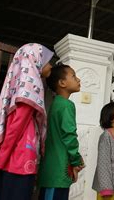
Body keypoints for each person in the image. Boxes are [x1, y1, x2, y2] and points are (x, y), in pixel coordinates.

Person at [0, 43, 54, 200]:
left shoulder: (18, 87)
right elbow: (16, 128)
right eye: (47, 60)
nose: (51, 66)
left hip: (10, 160)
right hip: (19, 162)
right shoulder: (28, 89)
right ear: (35, 60)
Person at [37, 64, 85, 200]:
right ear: (62, 83)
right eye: (74, 76)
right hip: (57, 171)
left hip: (52, 169)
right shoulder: (66, 105)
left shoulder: (56, 103)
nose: (78, 79)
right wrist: (76, 160)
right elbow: (69, 136)